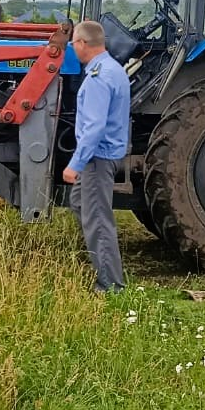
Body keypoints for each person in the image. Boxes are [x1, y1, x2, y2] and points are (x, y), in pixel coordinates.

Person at [62, 19, 131, 293]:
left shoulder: (97, 78)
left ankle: (110, 285)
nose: (72, 49)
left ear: (81, 44)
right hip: (106, 153)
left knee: (98, 219)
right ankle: (101, 257)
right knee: (79, 202)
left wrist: (75, 164)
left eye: (73, 43)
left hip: (97, 158)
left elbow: (94, 128)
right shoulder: (113, 69)